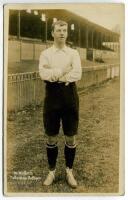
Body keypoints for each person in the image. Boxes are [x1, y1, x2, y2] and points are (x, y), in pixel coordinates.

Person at [39, 20, 82, 188]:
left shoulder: (73, 53)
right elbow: (43, 73)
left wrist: (59, 76)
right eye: (59, 30)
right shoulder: (45, 54)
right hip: (52, 96)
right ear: (52, 33)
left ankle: (69, 171)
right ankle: (51, 171)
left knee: (70, 136)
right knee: (51, 135)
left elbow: (77, 73)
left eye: (64, 30)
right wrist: (62, 71)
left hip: (69, 95)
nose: (62, 33)